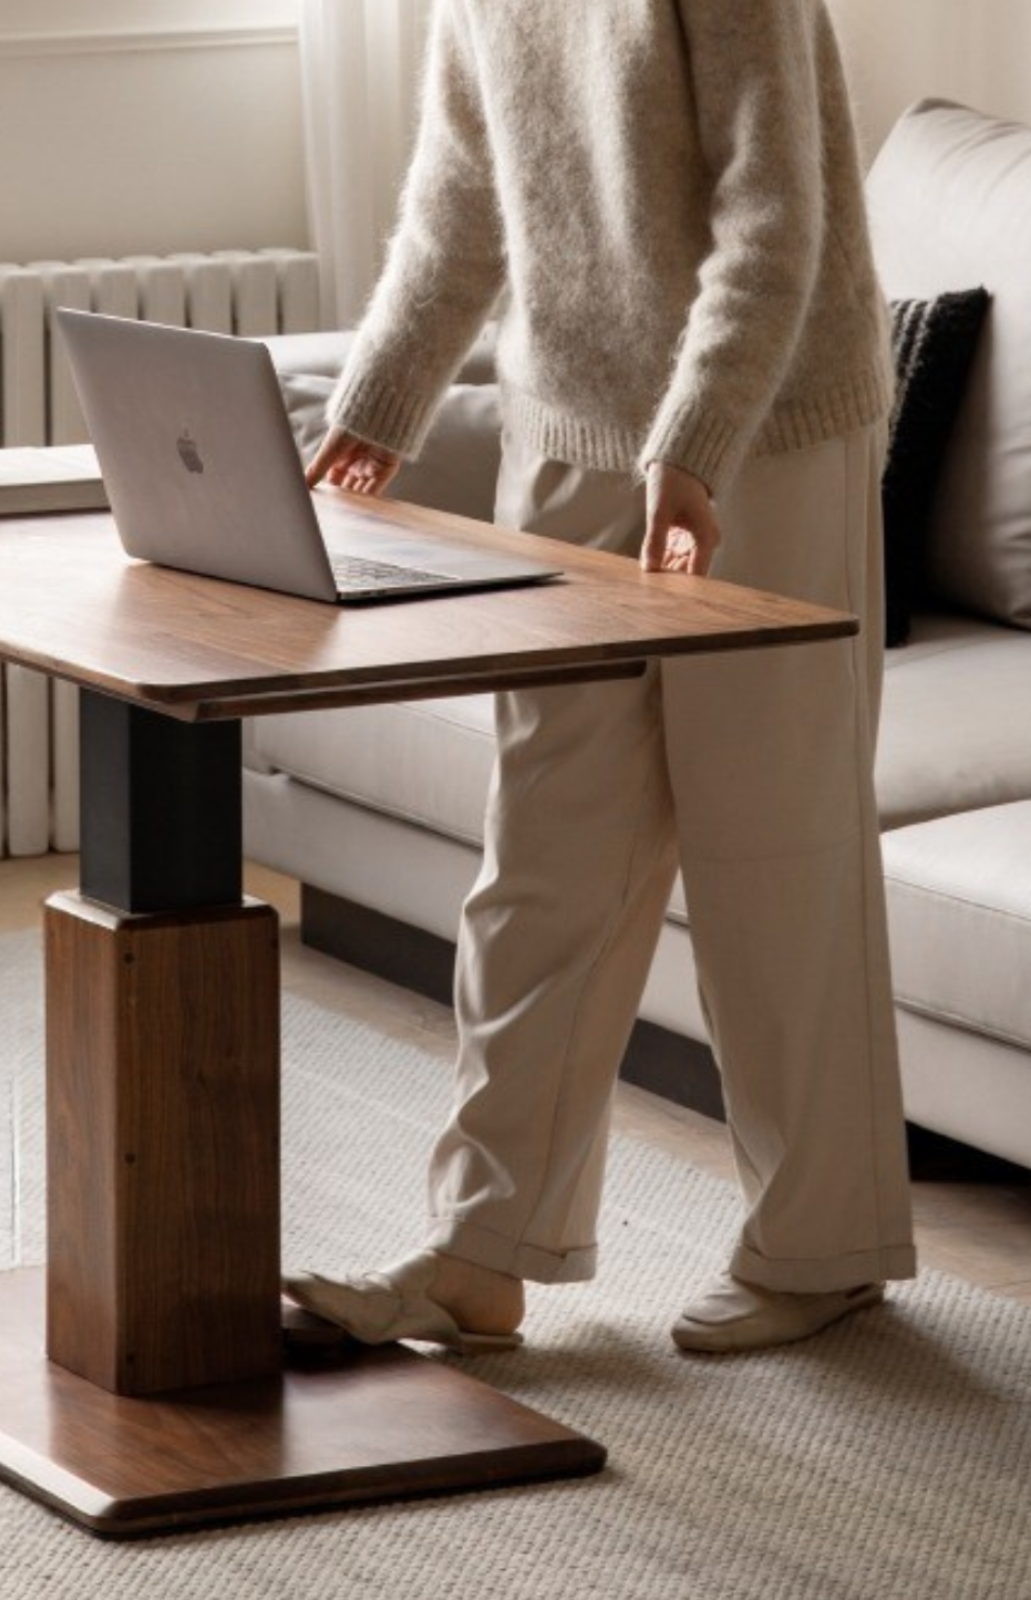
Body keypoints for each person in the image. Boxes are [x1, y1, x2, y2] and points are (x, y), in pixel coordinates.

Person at [283, 0, 916, 1354]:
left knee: (771, 844)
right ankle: (481, 1251)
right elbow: (460, 192)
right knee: (544, 849)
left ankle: (823, 1245)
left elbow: (776, 209)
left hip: (767, 439)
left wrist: (695, 444)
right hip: (566, 435)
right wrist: (375, 409)